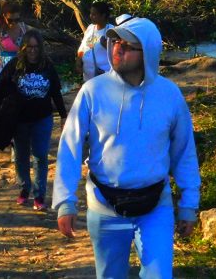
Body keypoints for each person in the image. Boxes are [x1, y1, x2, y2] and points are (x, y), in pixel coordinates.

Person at [52, 16, 201, 279]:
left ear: (148, 53)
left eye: (128, 45)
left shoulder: (169, 95)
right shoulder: (92, 91)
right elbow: (70, 147)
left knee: (159, 276)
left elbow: (184, 152)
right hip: (104, 207)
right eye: (115, 41)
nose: (118, 48)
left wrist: (189, 202)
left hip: (155, 207)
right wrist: (65, 202)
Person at [0, 29, 67, 211]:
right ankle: (24, 189)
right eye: (29, 47)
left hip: (42, 118)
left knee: (40, 156)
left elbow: (56, 92)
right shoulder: (15, 65)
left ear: (41, 48)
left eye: (36, 47)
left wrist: (63, 115)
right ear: (23, 48)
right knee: (21, 156)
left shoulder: (47, 66)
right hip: (20, 120)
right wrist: (0, 115)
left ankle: (39, 195)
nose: (32, 51)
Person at [76, 6, 134, 83]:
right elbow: (83, 47)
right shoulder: (90, 28)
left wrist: (107, 46)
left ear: (103, 15)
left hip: (105, 77)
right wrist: (78, 61)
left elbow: (120, 54)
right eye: (90, 13)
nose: (91, 16)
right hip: (88, 77)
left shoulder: (112, 31)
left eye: (94, 14)